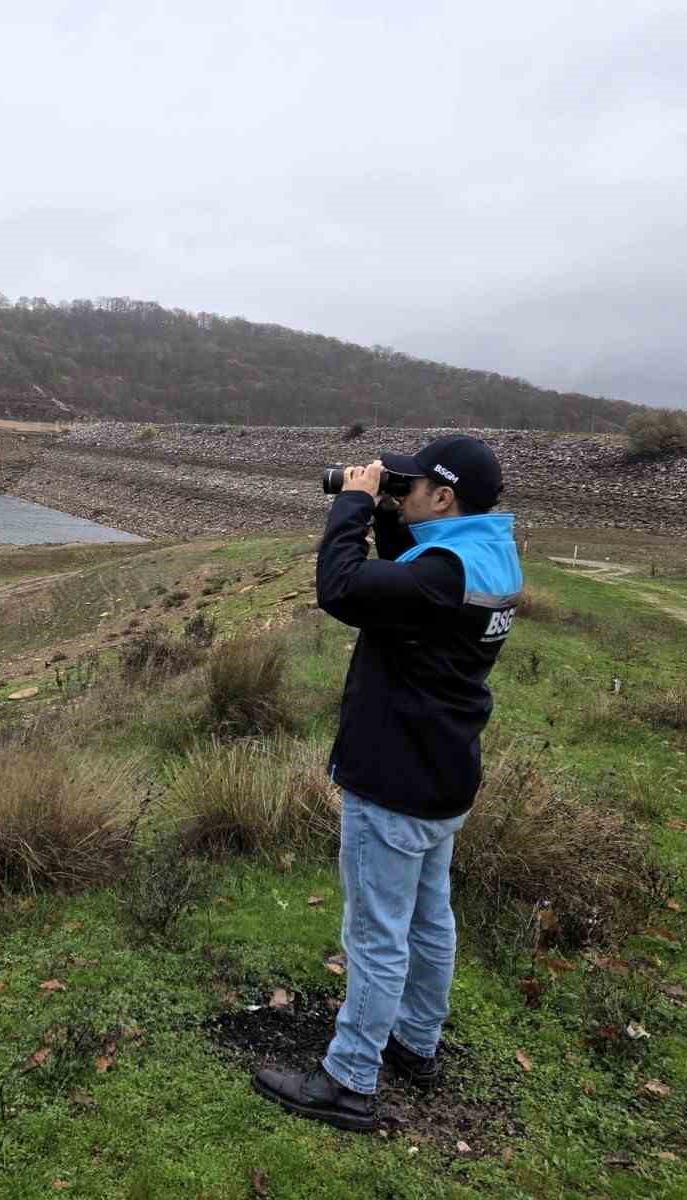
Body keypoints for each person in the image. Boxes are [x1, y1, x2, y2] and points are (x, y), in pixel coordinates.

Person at [252, 434, 522, 1133]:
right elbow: (413, 570)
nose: (402, 497)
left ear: (444, 496)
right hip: (444, 772)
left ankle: (348, 1081)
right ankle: (415, 1041)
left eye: (414, 488)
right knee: (431, 920)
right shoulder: (485, 552)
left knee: (375, 934)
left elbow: (341, 587)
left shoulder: (440, 576)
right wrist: (386, 509)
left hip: (395, 779)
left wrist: (351, 505)